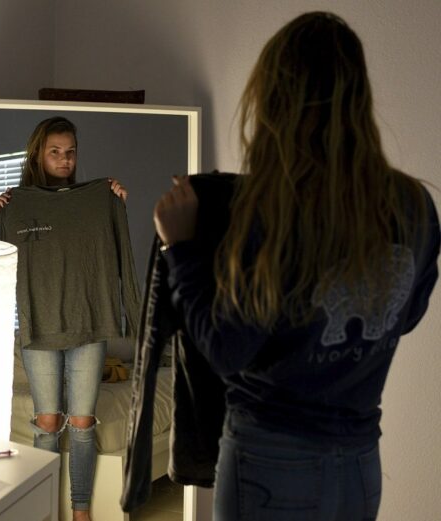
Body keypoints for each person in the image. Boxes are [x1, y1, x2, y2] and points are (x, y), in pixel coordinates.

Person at [153, 12, 439, 521]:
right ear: (358, 94)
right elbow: (408, 316)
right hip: (359, 466)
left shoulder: (271, 208)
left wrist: (182, 250)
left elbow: (225, 348)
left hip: (269, 460)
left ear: (274, 97)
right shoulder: (414, 205)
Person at [0, 116, 133, 521]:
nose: (64, 159)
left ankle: (80, 512)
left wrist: (117, 203)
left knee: (83, 421)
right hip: (39, 326)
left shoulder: (97, 198)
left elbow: (117, 245)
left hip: (88, 323)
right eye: (55, 151)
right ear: (39, 153)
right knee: (48, 420)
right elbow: (5, 265)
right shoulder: (19, 203)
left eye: (70, 152)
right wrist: (5, 214)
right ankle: (43, 507)